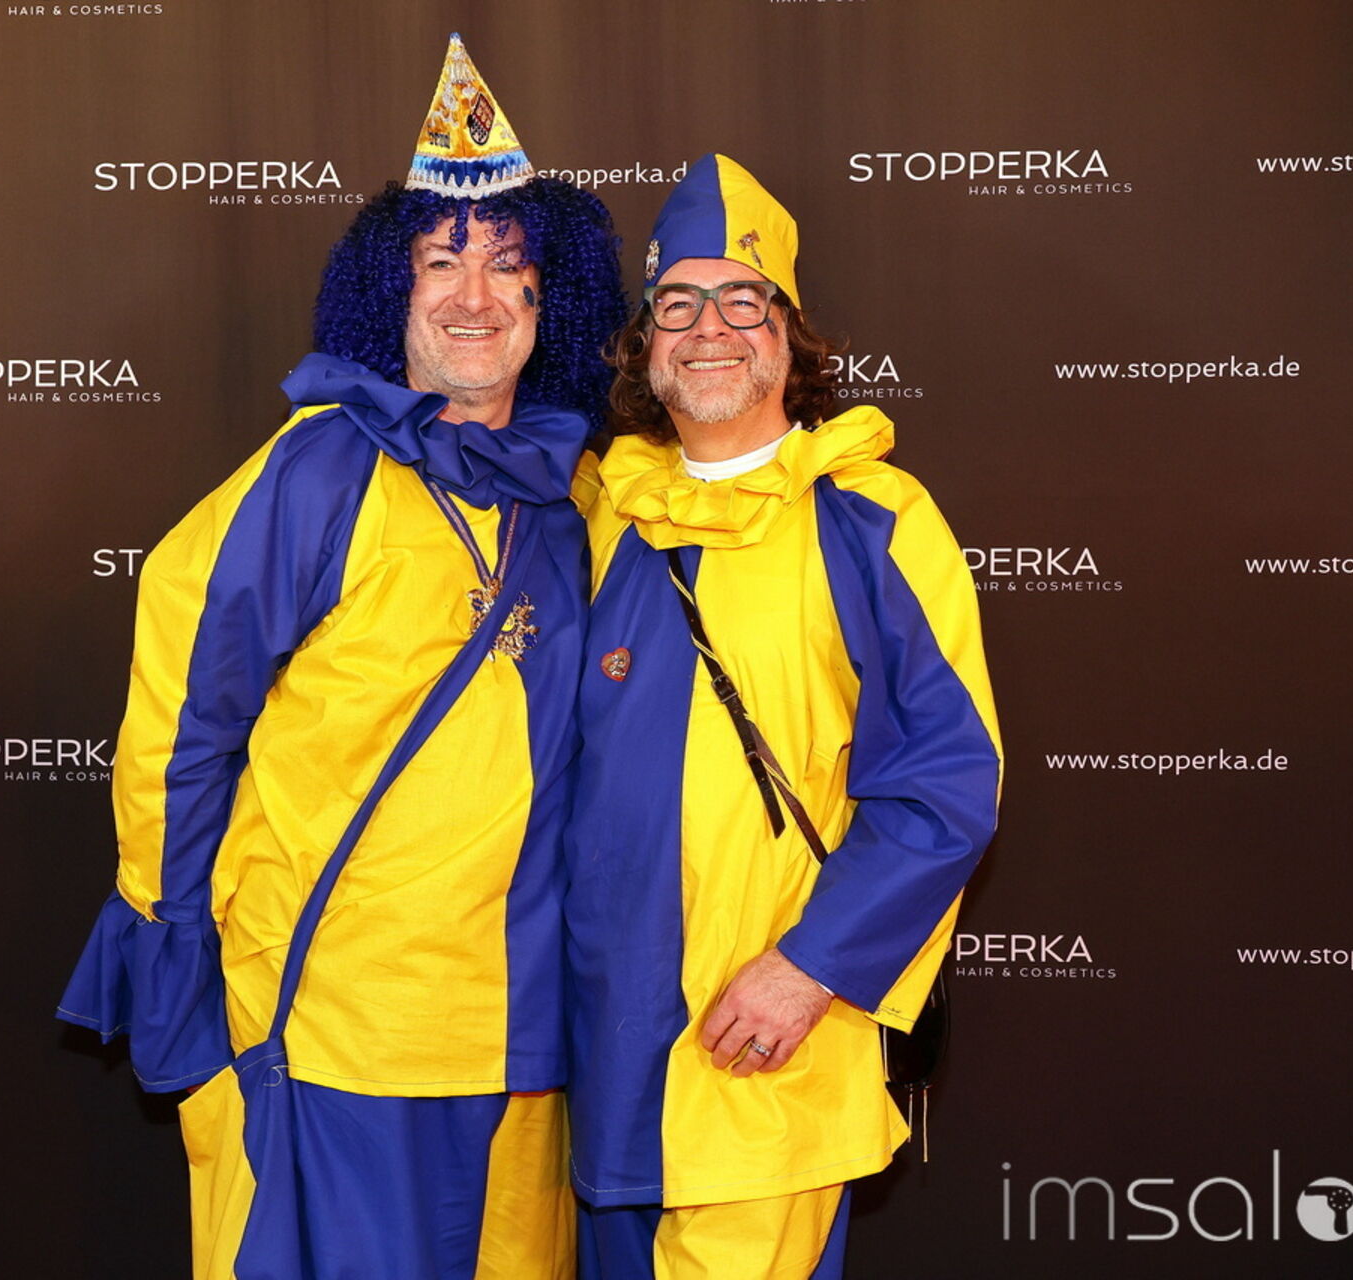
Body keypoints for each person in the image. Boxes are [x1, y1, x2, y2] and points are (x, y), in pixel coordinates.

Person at [56, 36, 624, 1279]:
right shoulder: (318, 468)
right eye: (441, 261)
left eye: (511, 267)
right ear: (390, 294)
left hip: (524, 1042)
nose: (475, 295)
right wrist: (170, 933)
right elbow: (182, 716)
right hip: (334, 1025)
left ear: (551, 306)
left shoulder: (580, 495)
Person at [564, 154, 1002, 1278]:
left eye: (741, 299)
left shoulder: (871, 519)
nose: (708, 327)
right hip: (599, 1058)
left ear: (788, 334)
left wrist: (813, 965)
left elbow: (947, 781)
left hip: (761, 1041)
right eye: (677, 303)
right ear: (644, 343)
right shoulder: (600, 514)